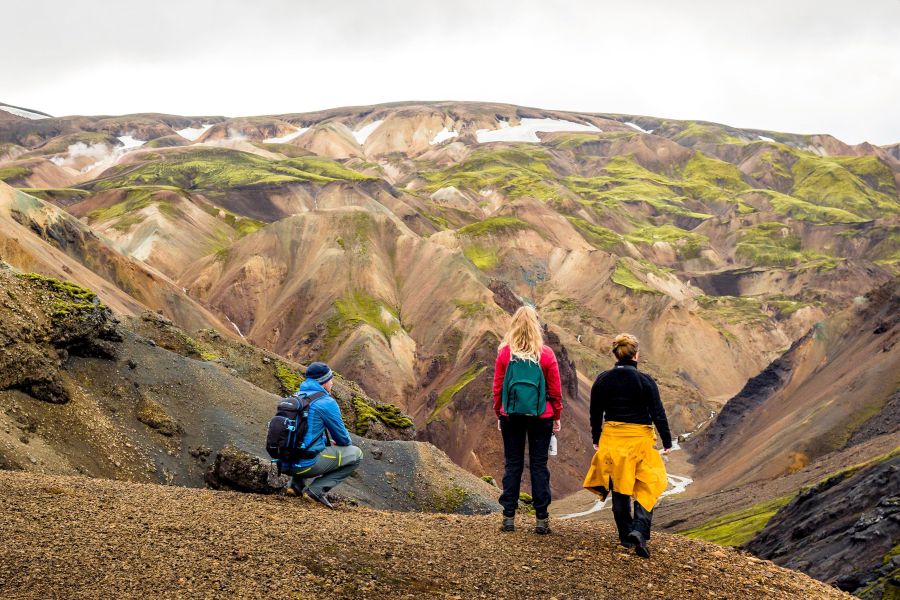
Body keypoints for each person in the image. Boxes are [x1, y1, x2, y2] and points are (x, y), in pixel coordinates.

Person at [583, 333, 672, 558]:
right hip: (640, 442)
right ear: (636, 355)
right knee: (649, 483)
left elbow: (595, 413)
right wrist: (667, 441)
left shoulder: (603, 379)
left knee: (620, 489)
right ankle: (640, 530)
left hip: (612, 441)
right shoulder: (645, 381)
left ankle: (626, 538)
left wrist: (596, 438)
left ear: (616, 354)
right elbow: (657, 413)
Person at [492, 306, 563, 535]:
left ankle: (508, 518)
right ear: (536, 326)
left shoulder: (505, 354)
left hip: (511, 415)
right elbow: (555, 390)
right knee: (539, 466)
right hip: (541, 416)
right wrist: (557, 416)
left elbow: (497, 388)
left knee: (512, 465)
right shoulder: (546, 354)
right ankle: (541, 519)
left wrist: (499, 413)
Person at [287, 361, 363, 509]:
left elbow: (302, 433)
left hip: (283, 463)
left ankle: (295, 486)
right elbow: (343, 439)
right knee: (356, 454)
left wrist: (324, 441)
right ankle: (315, 491)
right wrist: (335, 442)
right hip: (305, 465)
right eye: (330, 380)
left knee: (305, 443)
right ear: (323, 382)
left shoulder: (295, 397)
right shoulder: (326, 402)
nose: (332, 383)